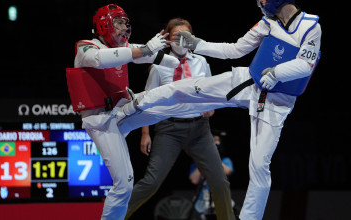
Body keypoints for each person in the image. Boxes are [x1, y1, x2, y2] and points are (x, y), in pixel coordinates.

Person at [117, 1, 321, 219]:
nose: (260, 3)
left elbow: (305, 64)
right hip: (249, 83)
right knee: (188, 89)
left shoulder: (310, 26)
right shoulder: (267, 23)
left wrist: (277, 73)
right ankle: (131, 106)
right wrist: (198, 43)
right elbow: (233, 50)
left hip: (277, 102)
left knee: (260, 165)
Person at [66, 4, 180, 220]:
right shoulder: (85, 47)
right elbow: (102, 59)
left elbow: (160, 59)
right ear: (104, 24)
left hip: (122, 113)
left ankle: (214, 95)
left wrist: (177, 54)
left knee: (169, 101)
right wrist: (145, 49)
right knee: (124, 184)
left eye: (127, 24)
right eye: (119, 22)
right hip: (101, 123)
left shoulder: (128, 47)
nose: (125, 29)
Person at [124, 18, 235, 220]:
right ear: (168, 39)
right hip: (169, 129)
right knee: (151, 182)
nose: (181, 40)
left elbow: (211, 91)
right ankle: (115, 216)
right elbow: (146, 100)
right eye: (176, 36)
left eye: (186, 36)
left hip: (200, 130)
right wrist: (145, 133)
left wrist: (211, 109)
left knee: (219, 182)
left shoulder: (201, 62)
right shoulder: (159, 65)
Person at [189, 129, 236, 219]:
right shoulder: (198, 161)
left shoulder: (226, 160)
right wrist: (203, 159)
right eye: (212, 141)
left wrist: (214, 157)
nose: (214, 144)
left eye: (216, 141)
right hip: (202, 201)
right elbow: (194, 180)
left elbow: (227, 172)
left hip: (221, 198)